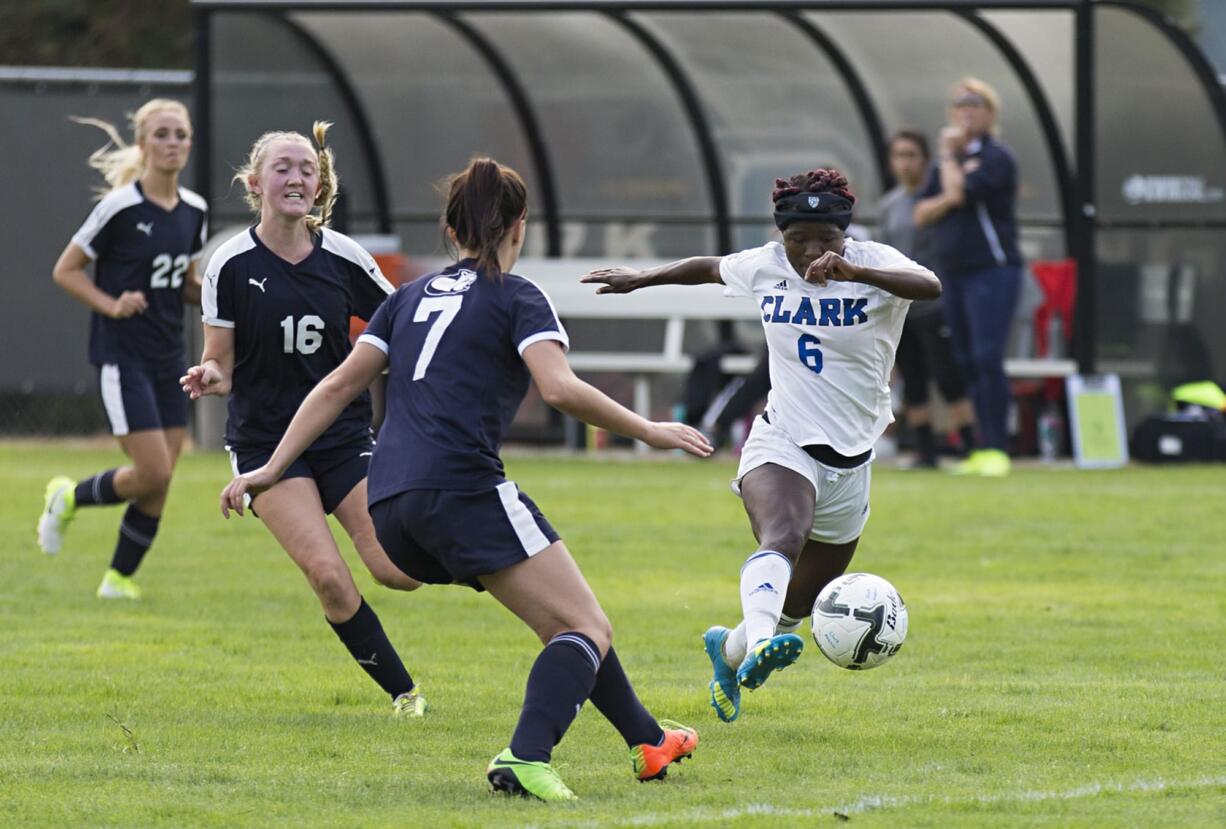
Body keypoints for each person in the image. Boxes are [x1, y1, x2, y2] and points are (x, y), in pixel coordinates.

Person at [218, 157, 708, 801]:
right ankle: (526, 756)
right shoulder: (517, 295)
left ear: (450, 232)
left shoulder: (407, 298)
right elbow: (558, 389)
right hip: (463, 489)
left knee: (569, 616)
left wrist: (270, 468)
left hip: (390, 506)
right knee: (583, 630)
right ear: (519, 228)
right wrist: (650, 429)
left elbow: (337, 385)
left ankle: (647, 740)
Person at [583, 168, 940, 723]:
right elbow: (705, 267)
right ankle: (756, 649)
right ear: (781, 237)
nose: (812, 251)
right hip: (782, 440)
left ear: (846, 235)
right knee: (784, 534)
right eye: (798, 239)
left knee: (798, 604)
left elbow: (931, 287)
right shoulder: (767, 266)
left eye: (826, 239)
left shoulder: (877, 263)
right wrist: (641, 277)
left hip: (852, 463)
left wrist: (856, 270)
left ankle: (729, 650)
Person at [180, 122, 426, 717]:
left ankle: (491, 560)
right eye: (283, 167)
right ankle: (405, 695)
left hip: (342, 438)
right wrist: (211, 376)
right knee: (329, 578)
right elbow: (221, 364)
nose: (295, 177)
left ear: (320, 187)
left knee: (399, 571)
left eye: (306, 169)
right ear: (255, 182)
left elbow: (402, 323)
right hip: (266, 447)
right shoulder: (230, 264)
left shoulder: (343, 257)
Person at [39, 99, 208, 599]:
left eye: (180, 133)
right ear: (142, 144)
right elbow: (65, 270)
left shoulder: (194, 210)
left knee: (161, 477)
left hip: (168, 355)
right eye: (161, 134)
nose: (172, 142)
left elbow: (185, 283)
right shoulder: (119, 207)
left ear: (190, 142)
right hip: (122, 354)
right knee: (152, 470)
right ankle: (66, 497)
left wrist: (234, 293)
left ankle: (118, 579)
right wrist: (110, 304)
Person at [914, 78, 1023, 477]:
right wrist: (948, 171)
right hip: (953, 273)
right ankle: (980, 447)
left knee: (986, 357)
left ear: (990, 114)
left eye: (975, 104)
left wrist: (948, 158)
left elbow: (957, 196)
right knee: (963, 361)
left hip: (992, 271)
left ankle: (998, 447)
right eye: (960, 104)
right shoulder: (945, 165)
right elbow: (922, 211)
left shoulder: (997, 157)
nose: (966, 111)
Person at [878, 129, 977, 468]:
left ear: (924, 160)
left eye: (911, 155)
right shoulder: (890, 204)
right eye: (898, 156)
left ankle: (970, 446)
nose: (904, 163)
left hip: (935, 303)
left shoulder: (937, 197)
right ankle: (925, 451)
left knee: (947, 376)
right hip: (900, 307)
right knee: (913, 378)